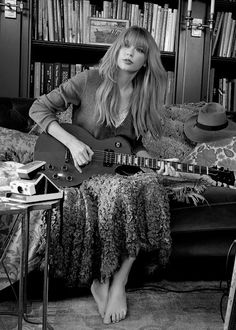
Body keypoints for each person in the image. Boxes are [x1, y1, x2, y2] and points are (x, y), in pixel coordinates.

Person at [29, 25, 176, 324]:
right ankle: (99, 278)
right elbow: (39, 107)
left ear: (147, 61)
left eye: (139, 50)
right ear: (118, 48)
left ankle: (119, 280)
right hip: (79, 171)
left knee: (151, 184)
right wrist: (72, 142)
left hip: (115, 171)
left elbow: (134, 148)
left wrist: (157, 162)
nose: (130, 53)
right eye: (126, 46)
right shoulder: (90, 79)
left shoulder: (143, 97)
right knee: (123, 191)